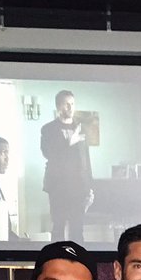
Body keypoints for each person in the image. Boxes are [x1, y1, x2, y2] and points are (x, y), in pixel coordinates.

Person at [41, 90, 93, 241]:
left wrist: (90, 187)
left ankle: (77, 256)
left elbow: (86, 159)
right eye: (66, 104)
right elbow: (48, 153)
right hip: (57, 187)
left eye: (72, 104)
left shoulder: (81, 128)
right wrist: (69, 143)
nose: (70, 108)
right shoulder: (48, 129)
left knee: (78, 229)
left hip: (79, 187)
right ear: (58, 106)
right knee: (58, 227)